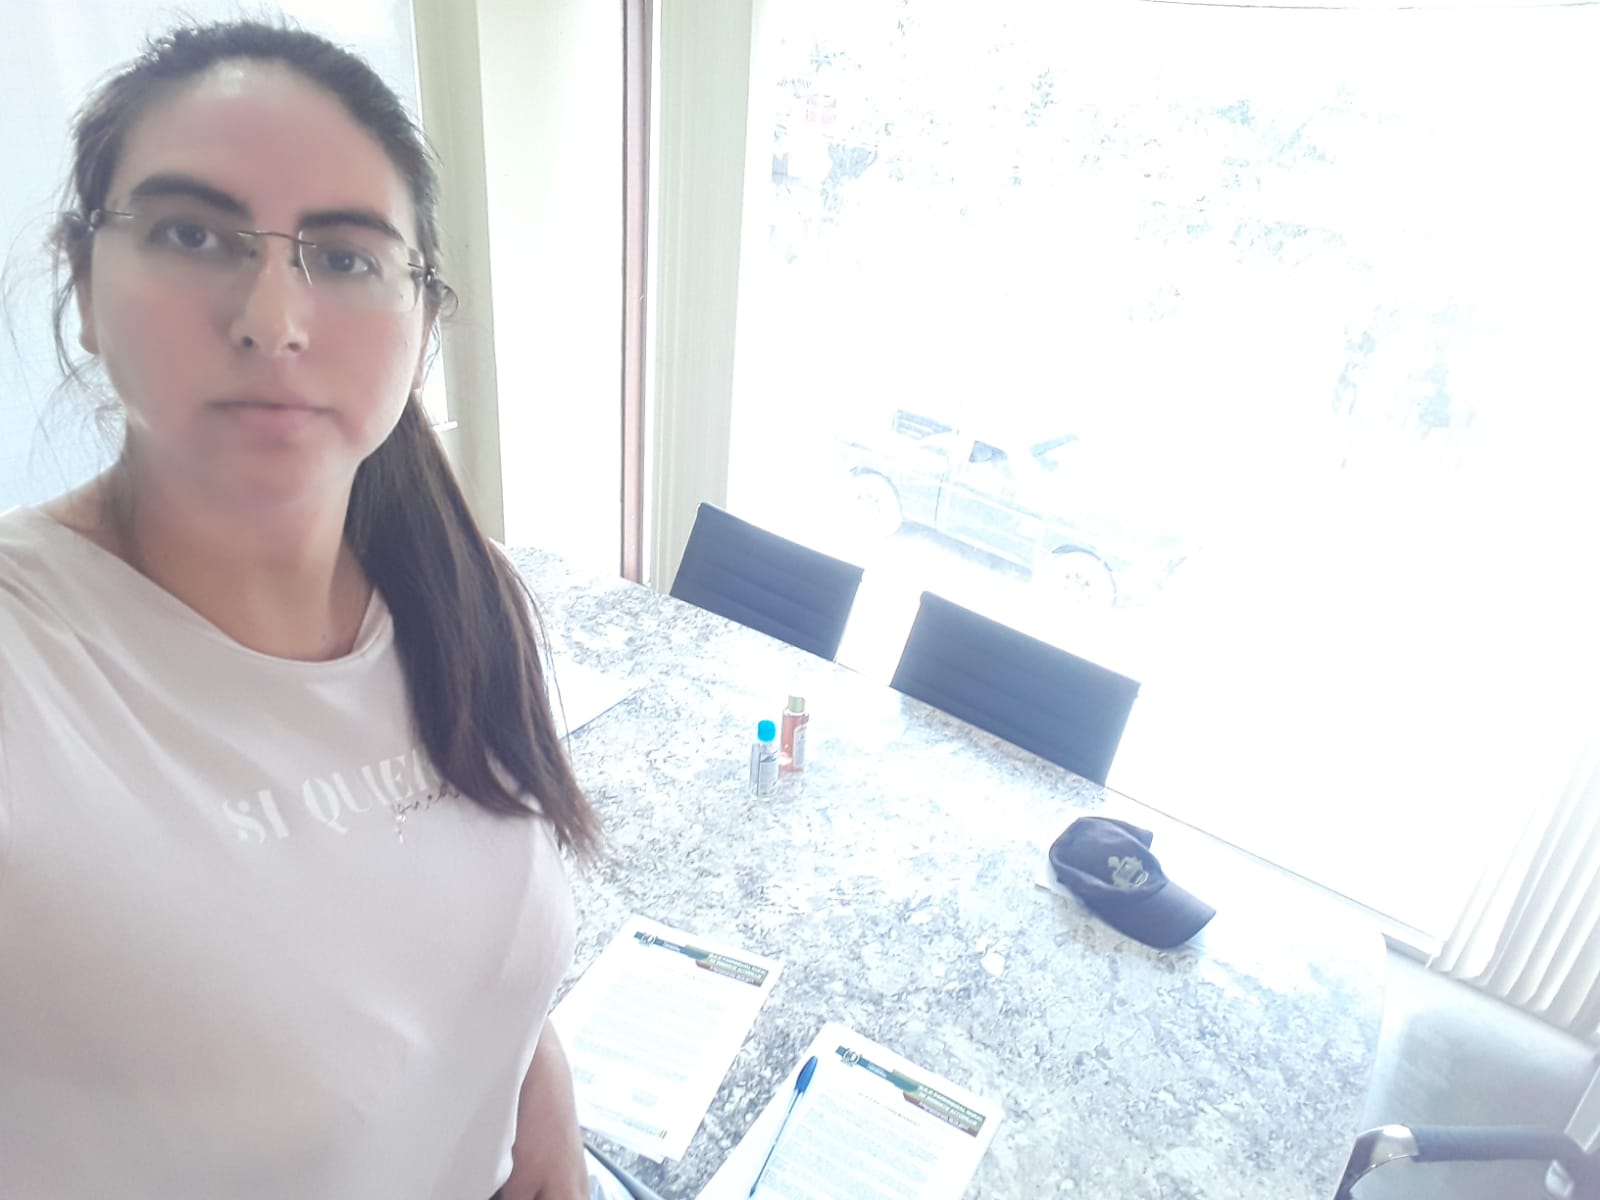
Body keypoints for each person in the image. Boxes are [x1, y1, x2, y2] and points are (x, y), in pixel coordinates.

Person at [0, 19, 604, 1199]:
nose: (272, 320)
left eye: (344, 256)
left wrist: (538, 1095)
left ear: (423, 327)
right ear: (84, 284)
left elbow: (470, 936)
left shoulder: (462, 590)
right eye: (190, 234)